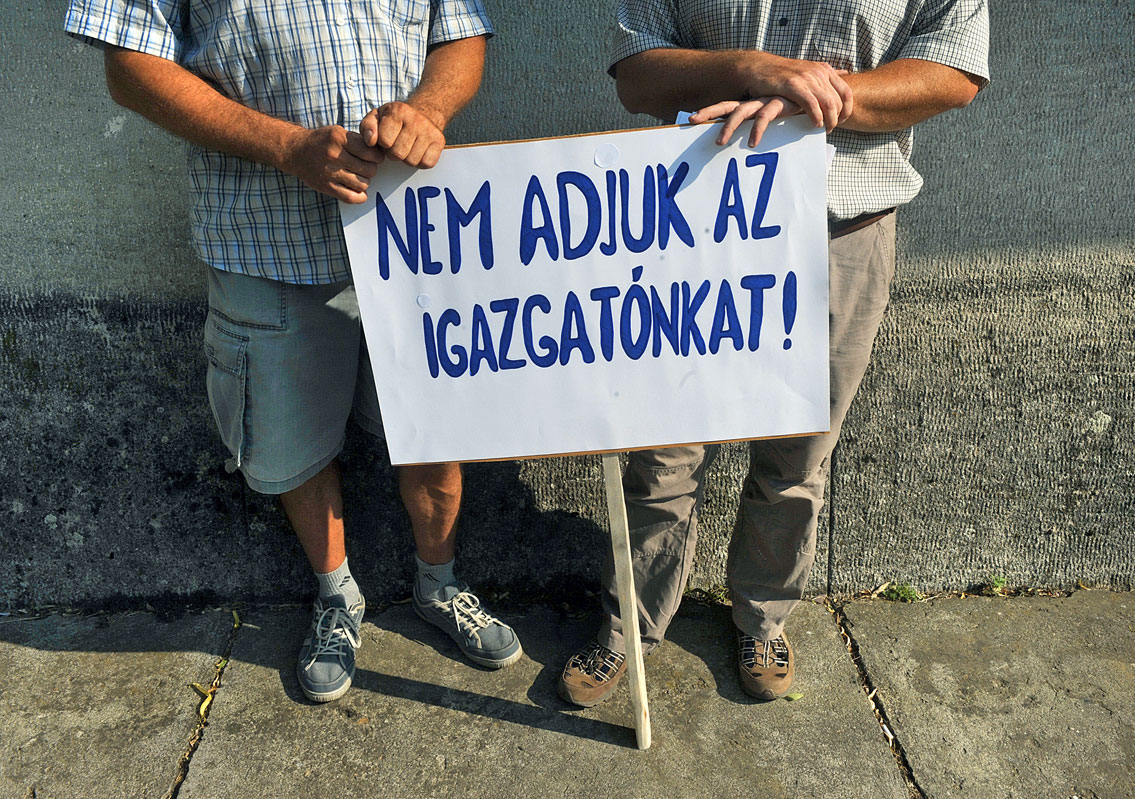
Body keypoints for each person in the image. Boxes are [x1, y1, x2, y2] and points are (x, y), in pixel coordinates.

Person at [64, 0, 521, 704]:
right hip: (263, 236)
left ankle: (440, 584)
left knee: (431, 429)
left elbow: (458, 32)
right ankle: (338, 596)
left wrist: (426, 110)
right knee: (290, 440)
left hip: (413, 233)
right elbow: (131, 65)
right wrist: (286, 147)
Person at [560, 0, 989, 705]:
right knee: (664, 450)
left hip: (841, 231)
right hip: (692, 222)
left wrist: (817, 94)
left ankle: (763, 615)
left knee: (799, 452)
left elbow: (953, 71)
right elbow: (638, 72)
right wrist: (752, 69)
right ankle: (626, 628)